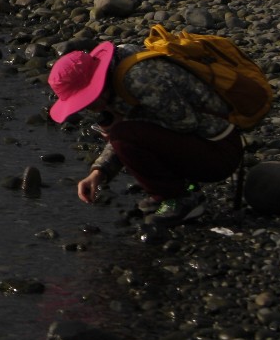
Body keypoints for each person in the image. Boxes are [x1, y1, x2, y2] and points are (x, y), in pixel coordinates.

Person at [47, 40, 243, 223]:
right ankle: (181, 188)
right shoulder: (117, 70)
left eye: (87, 101)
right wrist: (100, 172)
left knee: (124, 135)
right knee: (124, 134)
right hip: (202, 145)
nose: (89, 108)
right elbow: (135, 132)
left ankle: (182, 199)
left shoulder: (138, 78)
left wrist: (125, 124)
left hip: (219, 152)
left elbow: (185, 123)